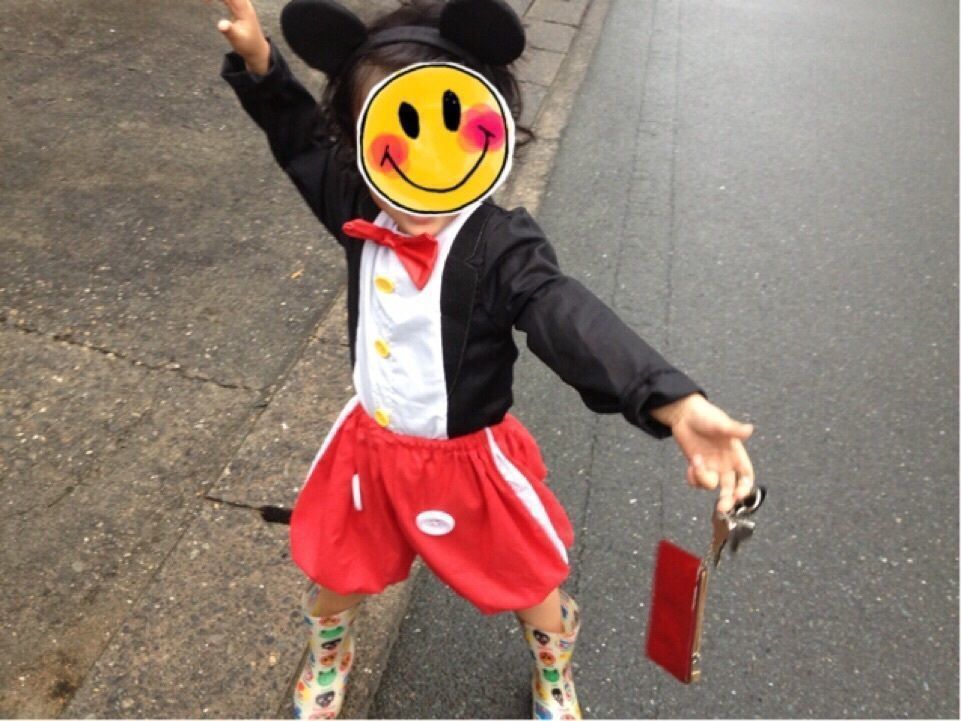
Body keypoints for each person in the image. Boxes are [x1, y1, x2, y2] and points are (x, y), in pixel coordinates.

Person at [211, 0, 756, 718]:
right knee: (340, 568)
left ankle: (553, 666)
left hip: (467, 462)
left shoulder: (499, 245)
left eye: (452, 133)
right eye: (397, 134)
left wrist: (669, 398)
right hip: (371, 451)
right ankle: (329, 651)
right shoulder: (358, 208)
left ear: (489, 126)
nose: (425, 167)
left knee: (529, 581)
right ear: (358, 137)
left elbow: (564, 312)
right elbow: (300, 141)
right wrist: (261, 66)